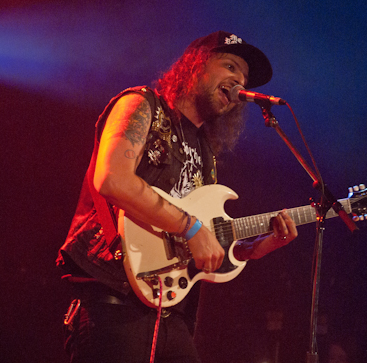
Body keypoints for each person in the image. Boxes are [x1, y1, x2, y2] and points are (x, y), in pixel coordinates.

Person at [57, 31, 298, 363]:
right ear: (195, 66)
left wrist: (255, 248)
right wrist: (192, 228)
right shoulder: (141, 105)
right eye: (229, 66)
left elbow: (203, 243)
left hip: (169, 311)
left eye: (243, 78)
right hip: (113, 300)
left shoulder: (205, 153)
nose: (238, 83)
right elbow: (113, 179)